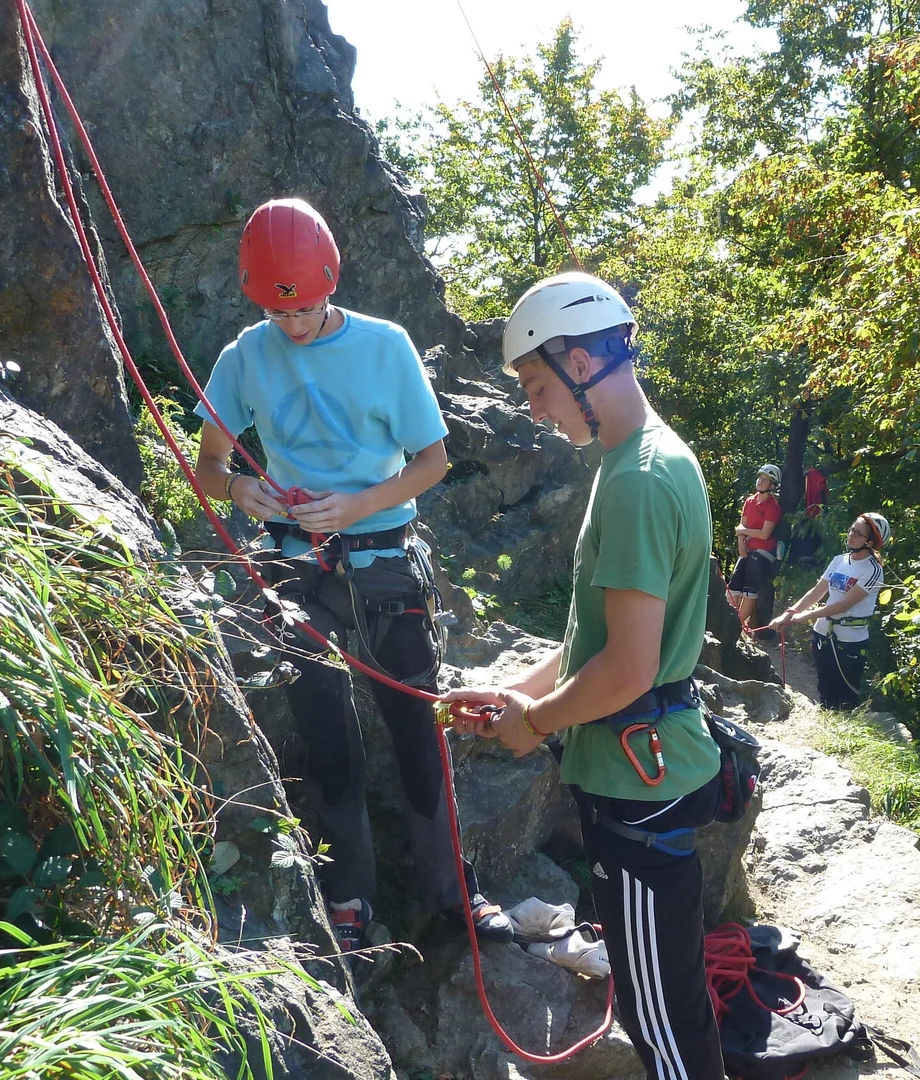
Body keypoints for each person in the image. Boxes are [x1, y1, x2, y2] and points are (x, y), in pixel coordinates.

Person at [193, 198, 512, 959]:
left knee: (416, 722)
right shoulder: (244, 355)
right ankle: (349, 897)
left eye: (303, 308)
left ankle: (451, 891)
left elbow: (432, 461)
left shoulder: (385, 346)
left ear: (330, 277)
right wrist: (240, 488)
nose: (294, 324)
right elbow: (205, 466)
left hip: (382, 556)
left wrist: (360, 502)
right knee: (324, 733)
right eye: (279, 311)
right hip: (291, 564)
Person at [443, 271, 726, 1080]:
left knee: (657, 1011)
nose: (534, 408)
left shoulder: (636, 479)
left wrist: (533, 726)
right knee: (662, 990)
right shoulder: (640, 457)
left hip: (636, 788)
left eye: (536, 386)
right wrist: (516, 696)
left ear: (576, 360)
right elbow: (590, 642)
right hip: (646, 764)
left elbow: (629, 668)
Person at [769, 512, 889, 708]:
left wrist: (805, 616)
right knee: (825, 690)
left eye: (858, 533)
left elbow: (844, 604)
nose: (851, 535)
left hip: (850, 639)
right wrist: (789, 613)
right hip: (823, 633)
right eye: (851, 529)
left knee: (846, 696)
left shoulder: (873, 570)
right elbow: (816, 592)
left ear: (870, 541)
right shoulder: (839, 560)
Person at [725, 464, 783, 634]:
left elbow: (764, 535)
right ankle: (726, 620)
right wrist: (740, 542)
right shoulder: (750, 501)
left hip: (763, 552)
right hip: (748, 548)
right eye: (760, 477)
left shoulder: (773, 507)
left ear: (772, 485)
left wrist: (743, 532)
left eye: (765, 479)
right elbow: (742, 524)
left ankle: (738, 627)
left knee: (750, 587)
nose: (760, 481)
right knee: (734, 583)